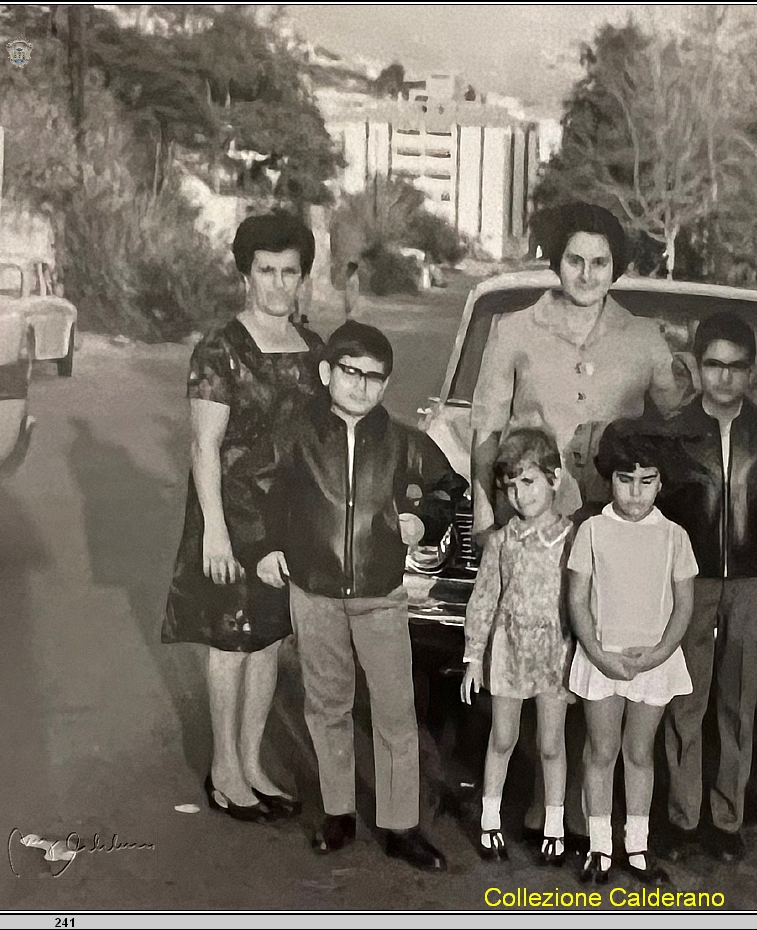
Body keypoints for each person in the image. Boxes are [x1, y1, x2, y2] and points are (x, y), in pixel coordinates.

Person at [468, 201, 757, 841]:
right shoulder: (513, 331)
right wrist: (486, 522)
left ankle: (602, 821)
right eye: (574, 259)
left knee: (605, 656)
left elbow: (693, 412)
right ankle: (545, 806)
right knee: (547, 658)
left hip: (617, 525)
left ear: (616, 267)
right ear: (554, 260)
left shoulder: (644, 337)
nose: (586, 273)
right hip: (539, 524)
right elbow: (486, 431)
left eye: (600, 262)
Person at [256, 320, 467, 870]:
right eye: (351, 372)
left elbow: (449, 488)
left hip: (380, 593)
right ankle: (338, 811)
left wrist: (424, 520)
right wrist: (266, 546)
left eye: (376, 378)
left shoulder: (402, 442)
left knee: (396, 709)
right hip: (315, 590)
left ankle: (402, 825)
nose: (362, 386)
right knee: (327, 704)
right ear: (327, 373)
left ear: (386, 384)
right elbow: (257, 487)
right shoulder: (296, 435)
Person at [163, 213, 323, 823]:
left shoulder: (315, 349)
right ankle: (224, 771)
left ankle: (253, 765)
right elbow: (204, 447)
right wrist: (215, 533)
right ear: (246, 276)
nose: (278, 285)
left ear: (302, 277)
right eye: (266, 271)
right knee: (230, 640)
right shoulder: (220, 349)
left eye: (289, 272)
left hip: (288, 523)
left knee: (270, 642)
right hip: (229, 519)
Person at [654, 312, 757, 864]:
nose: (723, 378)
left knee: (738, 702)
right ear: (697, 368)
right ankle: (681, 817)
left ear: (752, 372)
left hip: (748, 582)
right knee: (684, 700)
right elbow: (656, 510)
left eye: (736, 367)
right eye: (713, 365)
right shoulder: (673, 434)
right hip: (690, 583)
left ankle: (727, 820)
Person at [567, 420, 697, 887]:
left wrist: (661, 652)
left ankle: (637, 846)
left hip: (653, 663)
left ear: (661, 482)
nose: (636, 494)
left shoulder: (674, 537)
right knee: (601, 750)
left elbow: (684, 605)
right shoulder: (592, 531)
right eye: (625, 481)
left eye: (647, 482)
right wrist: (597, 653)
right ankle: (600, 847)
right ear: (610, 479)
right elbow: (577, 600)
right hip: (602, 659)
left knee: (639, 752)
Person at [460, 428, 575, 867]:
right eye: (510, 486)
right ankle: (489, 821)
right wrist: (474, 658)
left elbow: (581, 601)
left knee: (551, 743)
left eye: (528, 482)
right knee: (503, 737)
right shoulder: (503, 540)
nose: (519, 495)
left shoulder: (571, 539)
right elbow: (484, 598)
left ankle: (554, 828)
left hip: (555, 654)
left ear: (554, 478)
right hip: (507, 651)